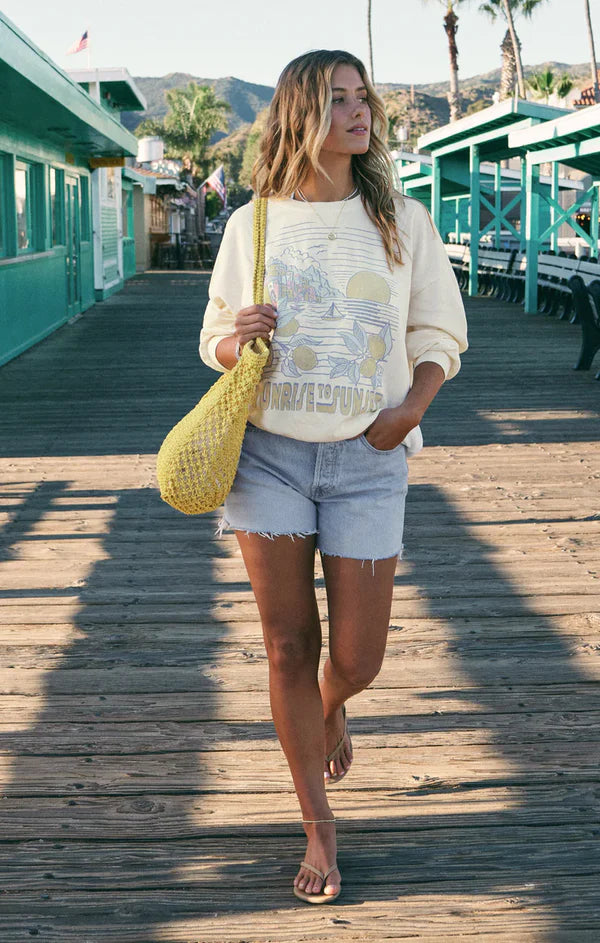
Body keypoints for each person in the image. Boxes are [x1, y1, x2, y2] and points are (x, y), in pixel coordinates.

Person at [199, 49, 468, 905]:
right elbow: (213, 340)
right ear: (301, 116)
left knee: (357, 655)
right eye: (339, 99)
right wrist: (238, 337)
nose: (361, 112)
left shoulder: (401, 222)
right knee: (287, 643)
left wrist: (412, 407)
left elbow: (439, 332)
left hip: (368, 455)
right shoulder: (253, 224)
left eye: (363, 98)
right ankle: (319, 824)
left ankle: (331, 701)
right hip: (267, 454)